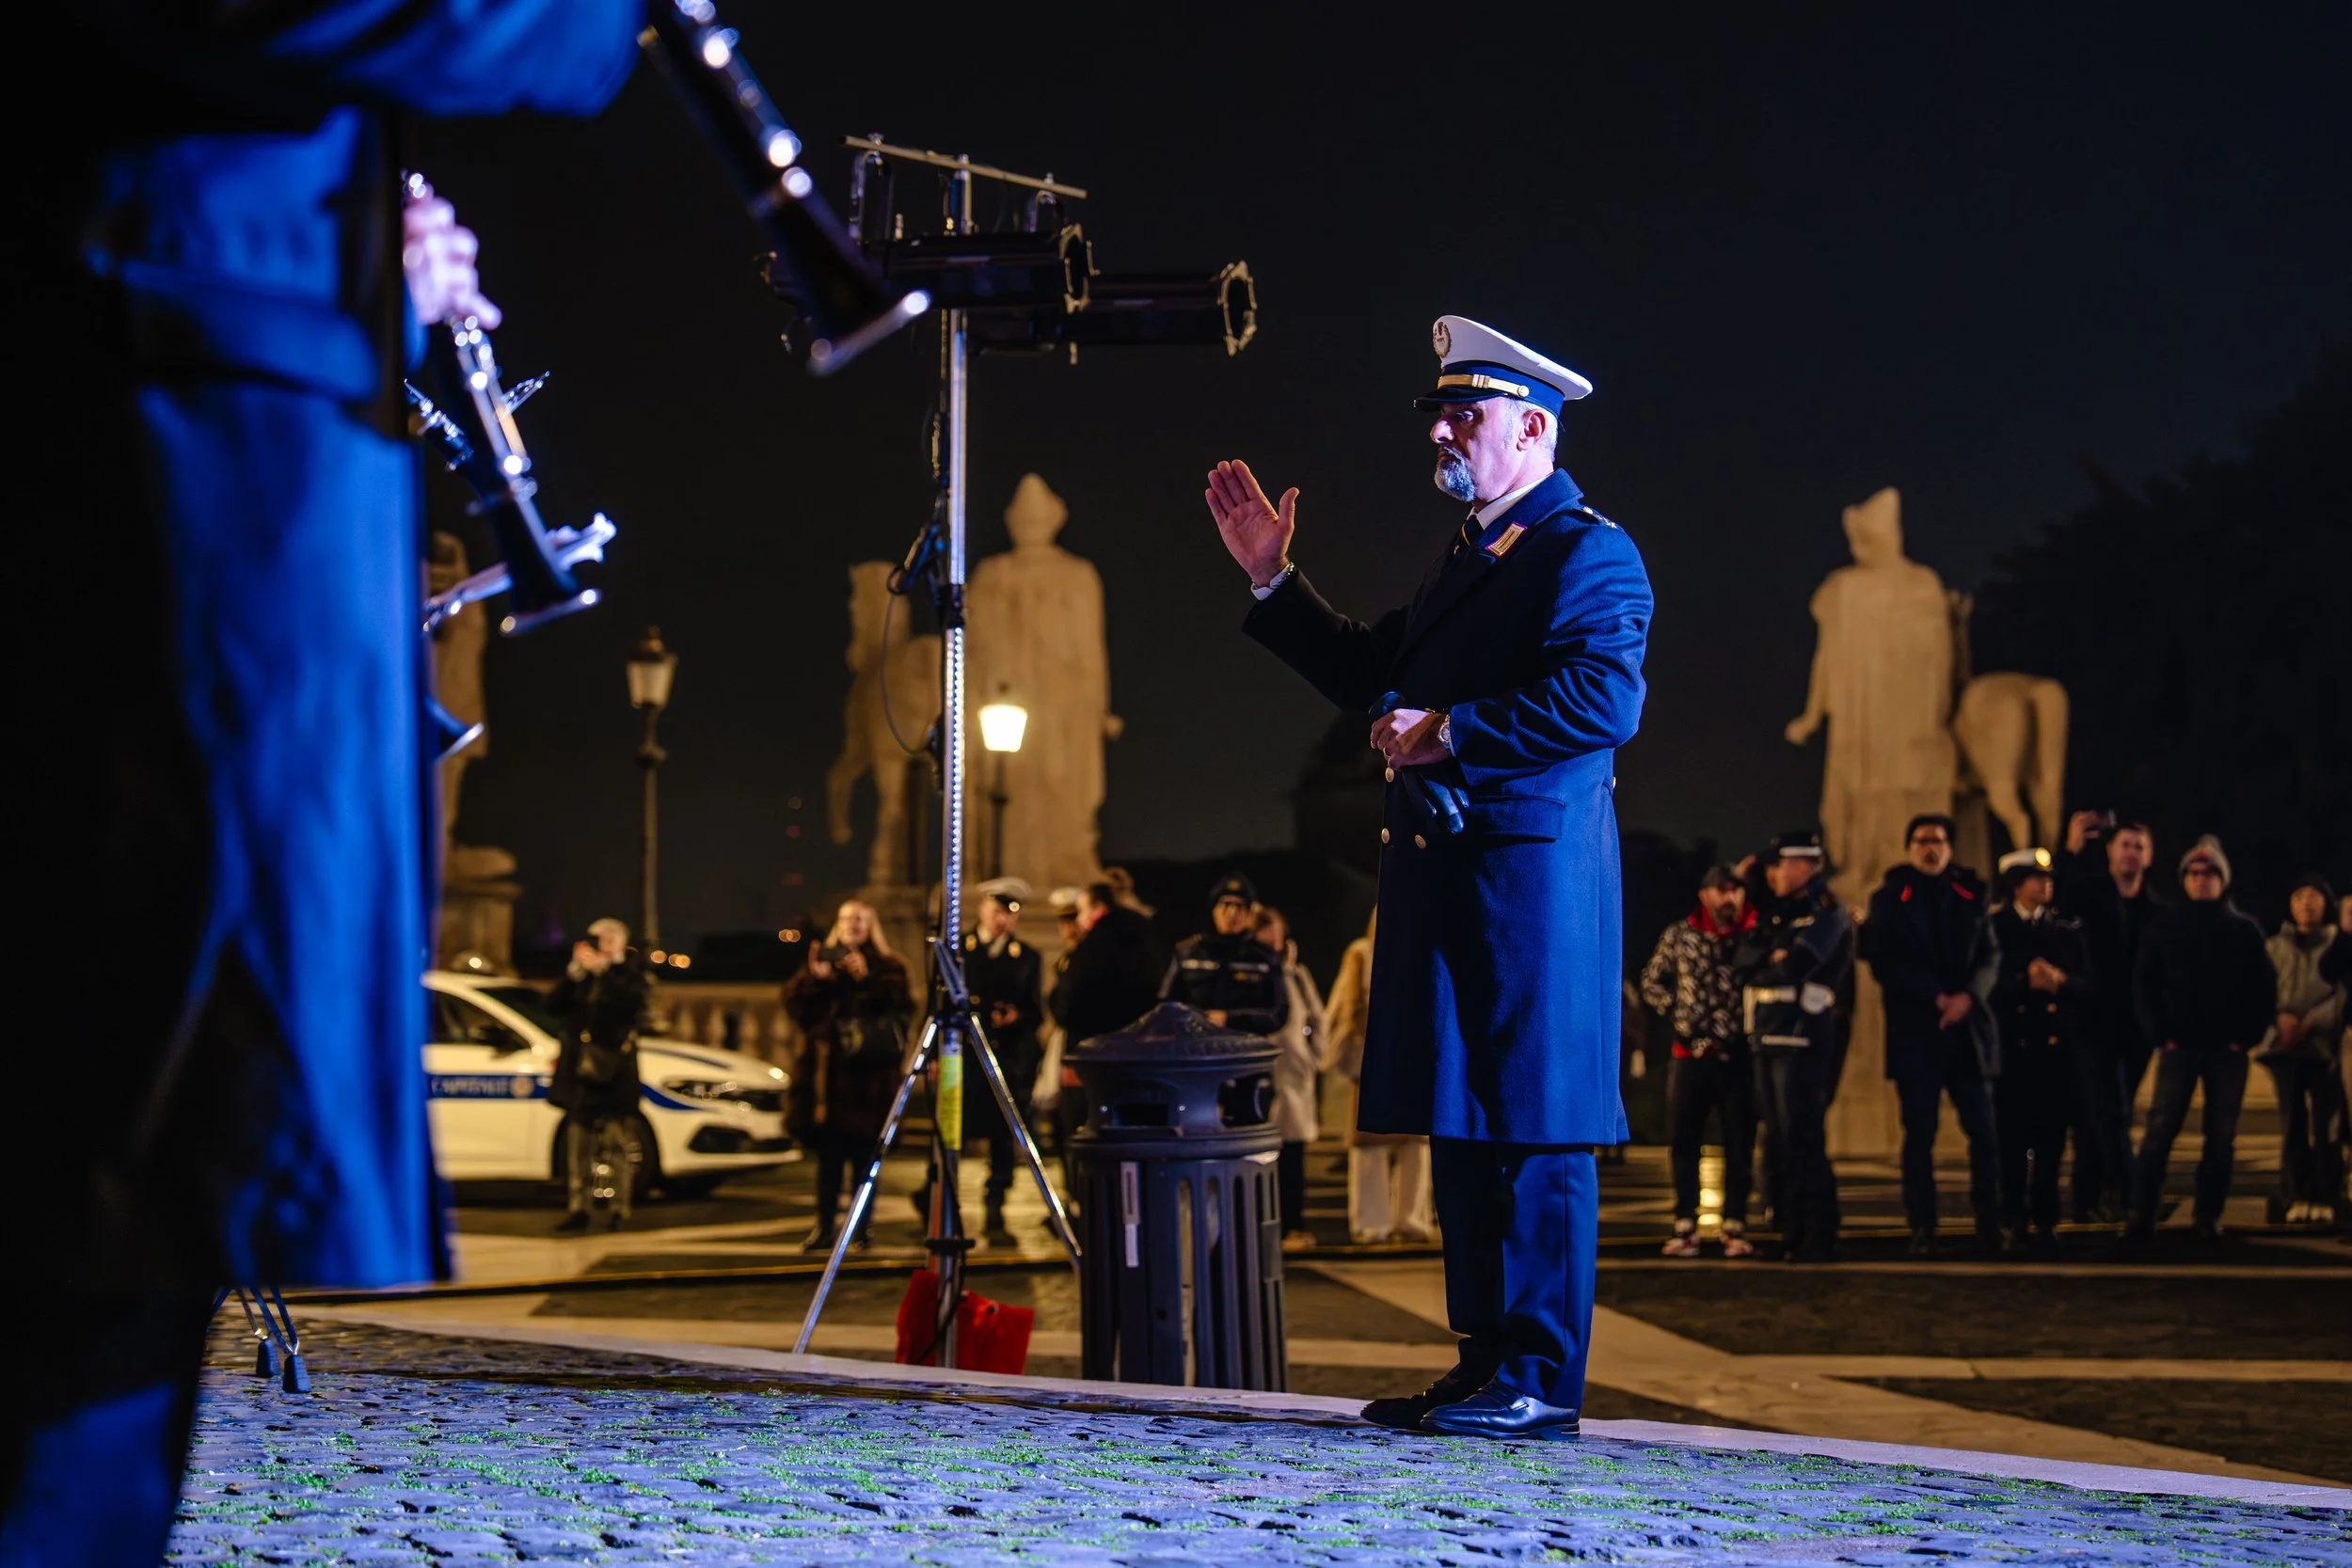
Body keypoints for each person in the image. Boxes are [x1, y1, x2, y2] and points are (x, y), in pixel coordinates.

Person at [7, 11, 639, 1557]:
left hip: (178, 403)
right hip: (141, 485)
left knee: (119, 1255)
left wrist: (359, 273)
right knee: (99, 1222)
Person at [1206, 315, 1650, 1439]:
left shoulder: (1588, 548)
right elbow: (1372, 669)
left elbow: (1606, 699)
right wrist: (1274, 580)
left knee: (1537, 1125)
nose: (1444, 427)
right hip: (1458, 875)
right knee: (1465, 1120)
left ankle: (1541, 1373)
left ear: (1532, 424)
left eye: (1467, 410)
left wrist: (1454, 727)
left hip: (1531, 886)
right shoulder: (1474, 551)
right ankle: (1485, 1359)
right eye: (1440, 410)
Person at [1861, 814, 2002, 1255]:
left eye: (1938, 840)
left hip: (1967, 1033)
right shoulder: (1888, 899)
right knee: (1918, 1134)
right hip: (1916, 1033)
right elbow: (1883, 962)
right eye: (1922, 840)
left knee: (1984, 1132)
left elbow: (1990, 955)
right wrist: (1936, 998)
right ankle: (1922, 1226)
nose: (1930, 848)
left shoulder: (1972, 893)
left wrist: (1967, 999)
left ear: (1950, 847)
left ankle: (1990, 1224)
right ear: (1909, 847)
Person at [2126, 837, 2277, 1243]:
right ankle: (2141, 1214)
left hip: (2226, 1051)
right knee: (2159, 1133)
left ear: (2222, 880)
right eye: (2194, 873)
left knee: (2221, 1138)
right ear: (2184, 879)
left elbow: (2264, 990)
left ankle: (2208, 1215)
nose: (2201, 880)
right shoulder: (2166, 925)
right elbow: (2144, 982)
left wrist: (2244, 1038)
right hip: (2179, 1047)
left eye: (2209, 873)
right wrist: (2160, 1035)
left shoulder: (2244, 930)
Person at [1737, 832, 1854, 1262]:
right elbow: (1742, 962)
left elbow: (1798, 967)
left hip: (1802, 1035)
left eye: (1781, 864)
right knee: (1779, 1138)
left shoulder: (1826, 913)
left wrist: (1775, 963)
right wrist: (1770, 960)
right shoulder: (1779, 913)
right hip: (1768, 1032)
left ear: (1806, 864)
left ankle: (1820, 1231)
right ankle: (1791, 1227)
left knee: (1803, 1136)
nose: (1774, 874)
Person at [1639, 863, 1759, 1259]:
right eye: (1723, 891)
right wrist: (1678, 1013)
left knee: (1739, 1140)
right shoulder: (1681, 934)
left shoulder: (1750, 935)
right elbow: (1651, 979)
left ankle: (1735, 1223)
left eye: (1736, 891)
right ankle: (1685, 1223)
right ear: (1705, 895)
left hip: (1735, 1053)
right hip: (1688, 1054)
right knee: (1684, 1140)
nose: (1731, 899)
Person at [782, 901, 914, 1253]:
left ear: (871, 926)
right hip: (829, 1082)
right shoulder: (825, 962)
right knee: (828, 1161)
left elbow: (900, 1011)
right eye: (846, 920)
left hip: (869, 1080)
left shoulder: (888, 967)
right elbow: (801, 1013)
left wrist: (866, 978)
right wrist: (817, 980)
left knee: (865, 1161)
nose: (852, 926)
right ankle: (824, 1227)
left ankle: (862, 1228)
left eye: (860, 920)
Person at [2056, 813, 2162, 1220]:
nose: (2131, 853)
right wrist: (2069, 850)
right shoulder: (2088, 896)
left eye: (2139, 847)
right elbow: (2056, 900)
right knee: (2108, 1110)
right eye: (2124, 845)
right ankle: (2130, 1195)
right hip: (2090, 1021)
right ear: (2109, 852)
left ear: (2149, 856)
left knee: (2101, 1113)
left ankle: (2087, 1198)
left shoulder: (2156, 911)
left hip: (2136, 1028)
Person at [1986, 850, 2094, 1249]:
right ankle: (2012, 1216)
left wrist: (2061, 984)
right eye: (2034, 878)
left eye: (2047, 878)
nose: (2045, 884)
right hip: (2013, 1049)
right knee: (2011, 1140)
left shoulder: (2067, 929)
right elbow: (1987, 984)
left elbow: (2089, 986)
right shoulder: (1995, 927)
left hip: (2055, 1051)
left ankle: (2047, 1217)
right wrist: (2023, 982)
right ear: (2016, 884)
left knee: (2051, 1141)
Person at [1047, 880, 1166, 1207]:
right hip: (1138, 1060)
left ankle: (1086, 1203)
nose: (1079, 918)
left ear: (1098, 908)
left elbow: (1069, 1006)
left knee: (1084, 1133)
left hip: (1091, 1061)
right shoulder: (1146, 939)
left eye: (1083, 909)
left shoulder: (1092, 948)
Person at [1327, 911, 1438, 1243]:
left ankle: (1412, 1219)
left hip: (1413, 1059)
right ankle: (1372, 1222)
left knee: (1416, 1144)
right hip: (1373, 1057)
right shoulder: (1361, 952)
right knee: (1369, 1144)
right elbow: (1351, 1008)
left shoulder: (1419, 950)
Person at [547, 919, 652, 1232]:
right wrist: (573, 974)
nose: (601, 945)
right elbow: (553, 1007)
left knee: (617, 1141)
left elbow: (632, 1004)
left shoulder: (630, 972)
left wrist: (603, 973)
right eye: (597, 939)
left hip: (615, 1072)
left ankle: (620, 1208)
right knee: (578, 1142)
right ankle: (579, 1206)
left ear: (620, 942)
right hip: (581, 1071)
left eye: (608, 939)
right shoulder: (582, 977)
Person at [960, 879, 1046, 1247]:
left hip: (1006, 1056)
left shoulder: (1026, 957)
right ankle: (933, 1196)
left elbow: (1035, 1011)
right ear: (982, 910)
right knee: (955, 1129)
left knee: (1001, 1138)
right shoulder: (960, 949)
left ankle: (995, 1205)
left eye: (1009, 915)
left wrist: (1016, 1017)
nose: (1001, 921)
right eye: (996, 912)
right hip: (965, 1055)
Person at [2252, 875, 2344, 1225]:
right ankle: (2296, 1193)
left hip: (2324, 1048)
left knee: (2326, 1125)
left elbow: (2342, 993)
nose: (2306, 902)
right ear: (2291, 905)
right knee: (2292, 1123)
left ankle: (2326, 1194)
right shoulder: (2274, 946)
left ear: (2325, 904)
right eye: (2300, 896)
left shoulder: (2338, 943)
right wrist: (2281, 1020)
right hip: (2284, 1049)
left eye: (2314, 896)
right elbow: (2260, 988)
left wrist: (2311, 1022)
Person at [1255, 907, 1331, 1251]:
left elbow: (1318, 1017)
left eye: (1277, 932)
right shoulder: (1254, 973)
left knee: (1293, 1156)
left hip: (1294, 1077)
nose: (1274, 940)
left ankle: (1293, 1226)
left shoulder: (1296, 975)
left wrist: (1312, 1056)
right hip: (1264, 1078)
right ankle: (1266, 1226)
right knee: (1263, 1157)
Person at [1160, 873, 1289, 1035]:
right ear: (1214, 910)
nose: (1232, 913)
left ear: (1249, 914)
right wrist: (1197, 1019)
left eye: (1240, 906)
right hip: (1195, 1048)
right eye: (1226, 904)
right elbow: (1165, 1007)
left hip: (1245, 1052)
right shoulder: (1187, 953)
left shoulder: (1264, 959)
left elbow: (1278, 1014)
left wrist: (1230, 1020)